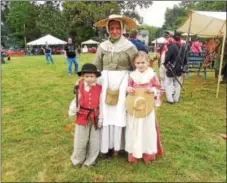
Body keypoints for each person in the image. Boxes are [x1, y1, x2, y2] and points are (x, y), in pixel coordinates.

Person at [94, 14, 138, 158]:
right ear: (108, 29)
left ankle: (120, 146)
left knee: (120, 113)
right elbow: (96, 66)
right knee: (106, 113)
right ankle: (106, 147)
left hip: (123, 82)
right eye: (111, 28)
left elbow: (137, 66)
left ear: (122, 29)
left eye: (117, 28)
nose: (114, 31)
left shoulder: (129, 46)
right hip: (105, 81)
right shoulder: (102, 46)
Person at [125, 51, 163, 164]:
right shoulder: (132, 76)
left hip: (147, 108)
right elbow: (128, 87)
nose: (140, 65)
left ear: (148, 62)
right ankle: (134, 153)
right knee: (134, 128)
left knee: (147, 129)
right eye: (138, 63)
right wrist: (128, 89)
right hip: (135, 107)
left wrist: (153, 90)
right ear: (134, 64)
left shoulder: (152, 75)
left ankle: (148, 152)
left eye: (143, 62)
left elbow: (159, 89)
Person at [70, 63, 102, 168]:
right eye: (86, 76)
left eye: (92, 76)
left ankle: (90, 161)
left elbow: (102, 104)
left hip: (95, 117)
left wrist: (101, 118)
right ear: (82, 77)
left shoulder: (100, 88)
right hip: (82, 116)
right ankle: (77, 160)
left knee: (95, 141)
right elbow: (76, 100)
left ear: (96, 77)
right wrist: (75, 108)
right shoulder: (79, 86)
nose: (89, 79)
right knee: (80, 140)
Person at [163, 31, 188, 104]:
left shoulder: (171, 46)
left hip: (171, 68)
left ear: (173, 37)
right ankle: (176, 99)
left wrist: (165, 64)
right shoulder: (183, 46)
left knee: (168, 83)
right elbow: (185, 60)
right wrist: (184, 70)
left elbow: (167, 58)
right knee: (177, 84)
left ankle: (170, 99)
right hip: (180, 68)